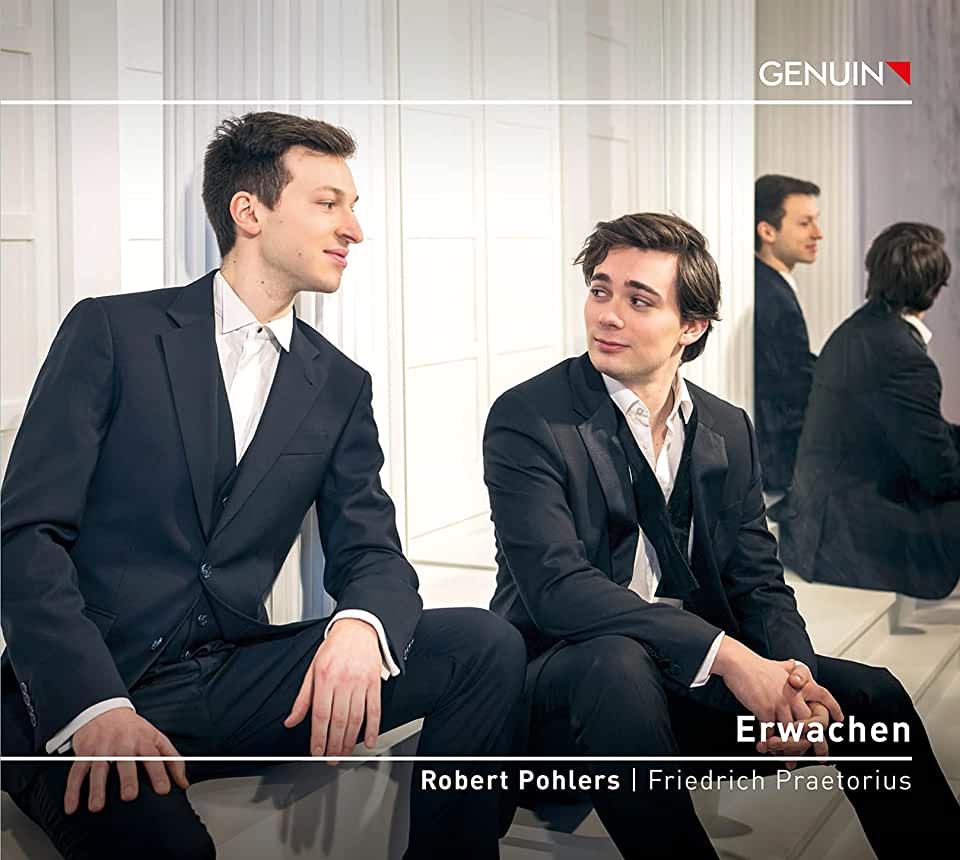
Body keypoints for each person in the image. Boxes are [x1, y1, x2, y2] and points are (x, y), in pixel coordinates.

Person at [0, 111, 525, 860]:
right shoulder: (113, 332)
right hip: (89, 688)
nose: (354, 230)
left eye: (352, 206)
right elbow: (27, 536)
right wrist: (92, 704)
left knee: (482, 644)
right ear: (249, 212)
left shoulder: (338, 383)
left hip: (230, 677)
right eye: (328, 203)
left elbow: (372, 551)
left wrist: (360, 625)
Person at [483, 212, 958, 859]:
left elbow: (758, 580)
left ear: (692, 326)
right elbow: (558, 591)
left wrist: (795, 679)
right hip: (558, 701)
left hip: (680, 683)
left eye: (638, 300)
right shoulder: (529, 417)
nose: (607, 315)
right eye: (599, 290)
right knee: (617, 665)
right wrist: (729, 656)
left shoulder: (726, 426)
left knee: (872, 696)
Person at [777, 222, 960, 599]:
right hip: (845, 537)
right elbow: (940, 474)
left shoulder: (859, 329)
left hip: (818, 519)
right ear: (935, 288)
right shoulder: (902, 356)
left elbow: (923, 432)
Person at [754, 174, 822, 495]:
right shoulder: (772, 297)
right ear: (767, 231)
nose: (818, 233)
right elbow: (792, 388)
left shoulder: (768, 285)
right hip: (778, 465)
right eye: (805, 223)